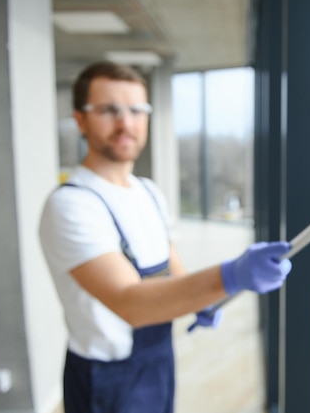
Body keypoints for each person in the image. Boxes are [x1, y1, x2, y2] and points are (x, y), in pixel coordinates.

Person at [38, 61, 292, 413]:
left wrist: (203, 297)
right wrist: (230, 276)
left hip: (158, 361)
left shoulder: (148, 192)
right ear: (81, 119)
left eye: (136, 110)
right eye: (109, 110)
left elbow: (172, 270)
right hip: (106, 378)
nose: (126, 122)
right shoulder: (71, 205)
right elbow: (132, 303)